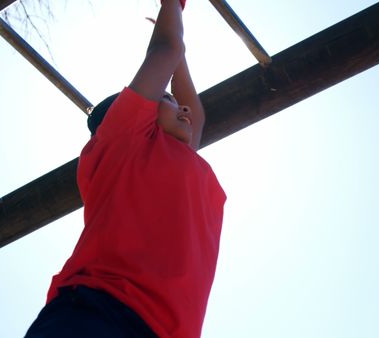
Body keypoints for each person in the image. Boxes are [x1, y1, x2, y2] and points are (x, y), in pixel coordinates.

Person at [25, 1, 227, 337]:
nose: (183, 106)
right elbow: (166, 48)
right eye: (169, 99)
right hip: (97, 312)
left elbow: (194, 107)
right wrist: (172, 6)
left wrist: (179, 58)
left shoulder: (176, 157)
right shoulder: (122, 145)